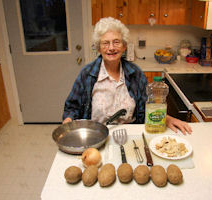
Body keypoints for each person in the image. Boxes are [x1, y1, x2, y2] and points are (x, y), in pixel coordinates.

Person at [63, 17, 192, 135]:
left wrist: (166, 118)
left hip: (131, 135)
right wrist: (68, 121)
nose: (111, 48)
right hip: (96, 135)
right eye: (105, 43)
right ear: (98, 47)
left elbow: (147, 106)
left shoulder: (135, 74)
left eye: (116, 42)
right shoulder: (87, 74)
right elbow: (72, 107)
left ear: (124, 46)